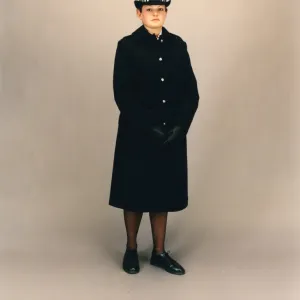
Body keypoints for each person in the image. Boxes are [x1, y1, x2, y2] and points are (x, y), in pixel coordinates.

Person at [109, 0, 199, 275]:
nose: (155, 14)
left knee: (162, 193)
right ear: (139, 13)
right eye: (149, 10)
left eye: (160, 9)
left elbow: (190, 92)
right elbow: (122, 94)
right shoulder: (127, 46)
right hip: (137, 134)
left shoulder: (178, 45)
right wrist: (148, 126)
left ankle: (159, 252)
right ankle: (132, 249)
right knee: (134, 194)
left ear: (166, 13)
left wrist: (181, 126)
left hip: (170, 134)